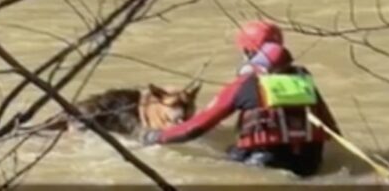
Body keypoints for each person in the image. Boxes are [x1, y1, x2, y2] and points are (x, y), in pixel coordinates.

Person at [141, 21, 340, 178]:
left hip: (265, 162)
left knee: (226, 159)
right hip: (311, 164)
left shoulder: (246, 84)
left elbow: (195, 128)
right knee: (233, 151)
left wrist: (155, 137)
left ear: (248, 53)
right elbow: (332, 129)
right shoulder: (303, 79)